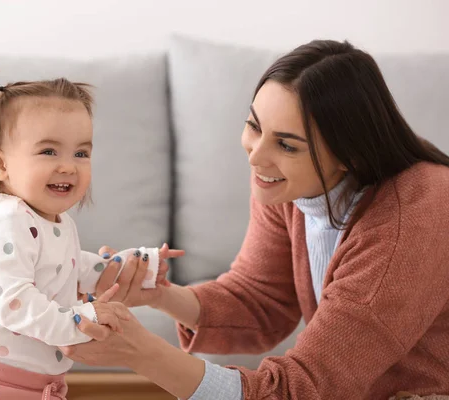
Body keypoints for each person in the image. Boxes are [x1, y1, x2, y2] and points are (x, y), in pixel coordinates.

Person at [59, 40, 449, 399]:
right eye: (254, 126)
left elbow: (300, 391)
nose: (256, 157)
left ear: (350, 154)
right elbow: (261, 299)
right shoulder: (289, 182)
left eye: (286, 144)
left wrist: (141, 352)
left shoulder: (411, 219)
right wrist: (160, 294)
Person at [0, 68, 181, 400]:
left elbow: (71, 267)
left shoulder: (57, 223)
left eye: (81, 153)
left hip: (38, 387)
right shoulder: (8, 221)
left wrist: (131, 267)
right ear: (0, 165)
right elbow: (12, 301)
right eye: (49, 151)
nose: (68, 166)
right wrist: (80, 318)